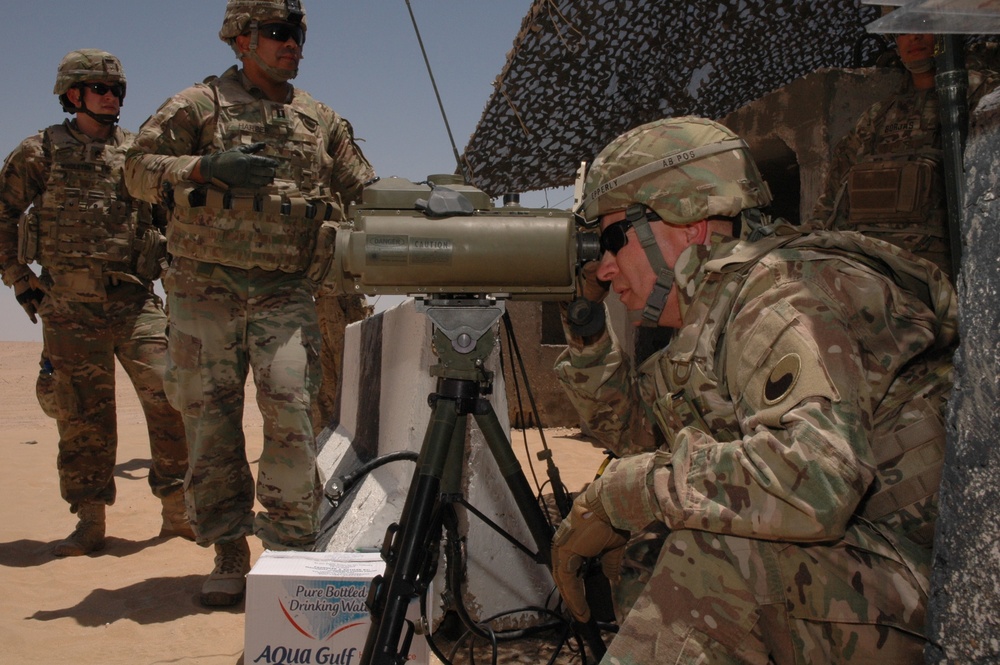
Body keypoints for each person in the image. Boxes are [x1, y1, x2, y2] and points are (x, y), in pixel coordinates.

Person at [550, 116, 956, 662]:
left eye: (612, 238)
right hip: (875, 574)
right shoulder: (720, 311)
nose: (602, 267)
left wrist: (632, 489)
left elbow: (815, 480)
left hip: (938, 591)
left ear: (691, 222)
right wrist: (587, 331)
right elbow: (640, 437)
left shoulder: (787, 295)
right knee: (653, 545)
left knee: (716, 560)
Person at [123, 0, 375, 607]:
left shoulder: (319, 119)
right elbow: (134, 170)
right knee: (210, 421)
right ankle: (228, 546)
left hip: (285, 292)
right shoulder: (197, 106)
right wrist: (205, 166)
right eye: (278, 33)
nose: (293, 44)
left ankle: (289, 544)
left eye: (299, 34)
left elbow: (365, 189)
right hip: (202, 291)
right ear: (241, 40)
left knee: (292, 411)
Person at [0, 49, 192, 557]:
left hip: (134, 301)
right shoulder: (38, 152)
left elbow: (170, 220)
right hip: (69, 306)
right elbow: (3, 212)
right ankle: (89, 520)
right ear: (73, 94)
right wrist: (19, 278)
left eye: (118, 90)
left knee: (172, 393)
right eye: (101, 89)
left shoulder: (137, 154)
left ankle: (177, 510)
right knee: (82, 416)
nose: (112, 98)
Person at [811, 28, 999, 280]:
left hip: (946, 271)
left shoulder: (980, 95)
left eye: (925, 28)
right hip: (874, 266)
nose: (914, 37)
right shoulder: (877, 117)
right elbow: (831, 198)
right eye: (902, 32)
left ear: (946, 34)